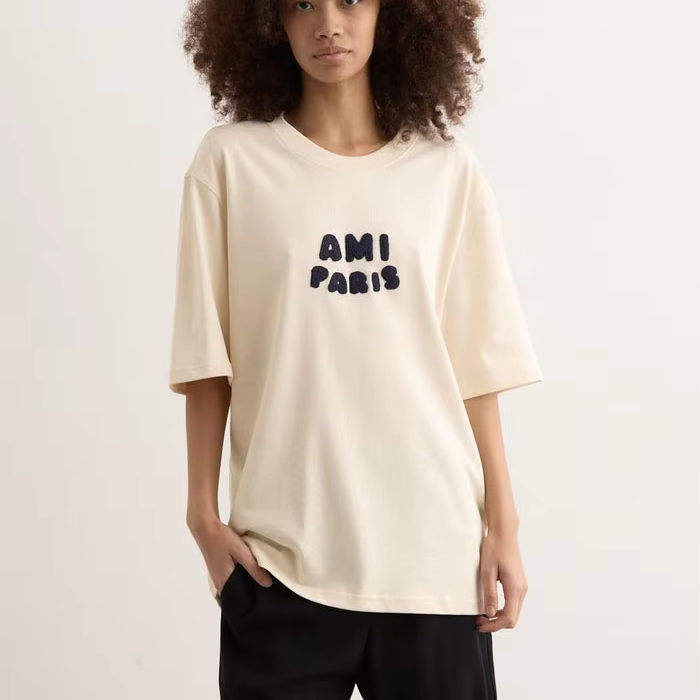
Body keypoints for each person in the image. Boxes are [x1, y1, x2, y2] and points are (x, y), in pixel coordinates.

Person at [168, 0, 543, 697]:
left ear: (394, 14)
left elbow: (476, 368)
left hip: (436, 563)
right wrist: (202, 517)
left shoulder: (447, 171)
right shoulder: (231, 164)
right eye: (301, 4)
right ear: (267, 22)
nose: (328, 23)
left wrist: (505, 525)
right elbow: (205, 360)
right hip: (281, 566)